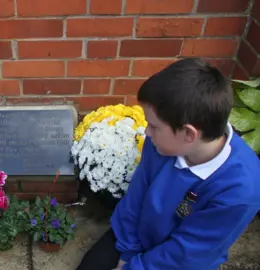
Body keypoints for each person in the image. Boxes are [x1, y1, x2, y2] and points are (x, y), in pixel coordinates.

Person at [76, 58, 260, 270]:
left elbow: (187, 253)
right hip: (135, 239)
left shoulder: (241, 191)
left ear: (189, 133)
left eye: (154, 126)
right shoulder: (162, 144)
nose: (147, 132)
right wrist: (127, 255)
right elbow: (135, 199)